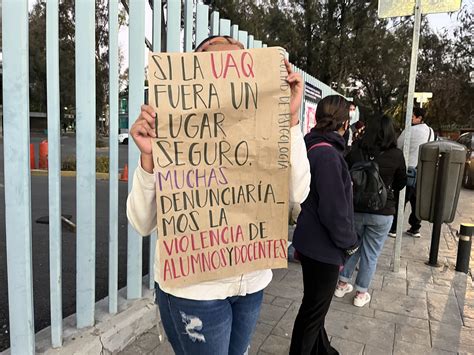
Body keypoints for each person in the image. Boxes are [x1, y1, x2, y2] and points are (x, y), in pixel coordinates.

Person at [126, 35, 311, 355]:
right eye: (216, 67)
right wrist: (148, 160)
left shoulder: (264, 135)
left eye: (242, 68)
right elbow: (142, 223)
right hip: (193, 289)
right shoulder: (172, 138)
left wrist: (290, 120)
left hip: (251, 283)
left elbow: (297, 192)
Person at [290, 95, 359, 355]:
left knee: (315, 305)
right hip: (324, 248)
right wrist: (350, 243)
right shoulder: (328, 155)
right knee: (312, 312)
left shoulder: (310, 145)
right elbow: (334, 212)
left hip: (310, 242)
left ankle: (323, 350)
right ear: (343, 123)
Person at [335, 115, 407, 307]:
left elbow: (344, 172)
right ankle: (361, 294)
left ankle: (342, 284)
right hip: (382, 211)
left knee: (353, 246)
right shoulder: (396, 155)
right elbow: (401, 183)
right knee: (371, 253)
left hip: (356, 209)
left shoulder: (356, 150)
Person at [389, 107, 434, 238]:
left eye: (412, 116)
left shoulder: (409, 130)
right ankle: (415, 228)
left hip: (408, 170)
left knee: (400, 200)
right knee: (416, 201)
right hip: (422, 172)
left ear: (419, 118)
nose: (410, 118)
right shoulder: (431, 132)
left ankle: (394, 228)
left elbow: (398, 145)